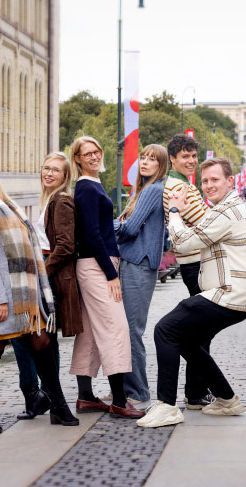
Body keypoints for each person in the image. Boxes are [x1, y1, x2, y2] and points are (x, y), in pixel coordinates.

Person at [139, 158, 246, 428]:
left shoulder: (227, 211)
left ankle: (167, 406)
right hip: (235, 294)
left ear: (230, 181)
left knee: (165, 330)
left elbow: (184, 242)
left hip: (229, 294)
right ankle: (227, 399)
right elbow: (199, 233)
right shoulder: (224, 209)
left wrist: (175, 210)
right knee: (189, 343)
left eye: (215, 180)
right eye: (204, 181)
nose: (208, 185)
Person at [0, 164, 79, 433]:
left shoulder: (9, 205)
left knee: (41, 341)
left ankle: (58, 405)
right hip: (3, 294)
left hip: (24, 295)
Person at [68, 136, 144, 419]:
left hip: (96, 264)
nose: (93, 156)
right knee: (116, 328)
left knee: (89, 330)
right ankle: (120, 400)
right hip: (96, 266)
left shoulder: (93, 185)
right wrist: (111, 274)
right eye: (86, 153)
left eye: (96, 151)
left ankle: (86, 396)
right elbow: (91, 235)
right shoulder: (86, 188)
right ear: (77, 158)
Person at [9, 152, 81, 421]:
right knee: (38, 338)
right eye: (46, 168)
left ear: (65, 177)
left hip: (49, 276)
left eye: (56, 170)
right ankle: (50, 402)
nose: (49, 173)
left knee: (39, 338)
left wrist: (40, 273)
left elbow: (65, 246)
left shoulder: (61, 201)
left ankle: (49, 400)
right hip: (42, 271)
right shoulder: (49, 199)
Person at [161, 133, 216, 409]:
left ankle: (196, 389)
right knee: (202, 329)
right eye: (185, 156)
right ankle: (195, 392)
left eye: (194, 156)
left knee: (202, 327)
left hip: (193, 262)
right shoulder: (179, 189)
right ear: (172, 159)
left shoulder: (182, 185)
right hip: (197, 264)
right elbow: (207, 223)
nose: (191, 161)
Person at [114, 144, 168, 407]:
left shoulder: (153, 190)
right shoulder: (143, 190)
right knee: (127, 328)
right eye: (143, 157)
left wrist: (106, 223)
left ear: (161, 166)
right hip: (137, 262)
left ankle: (139, 392)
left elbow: (130, 228)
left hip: (138, 262)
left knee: (131, 330)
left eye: (152, 160)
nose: (145, 162)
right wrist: (120, 224)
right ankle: (128, 389)